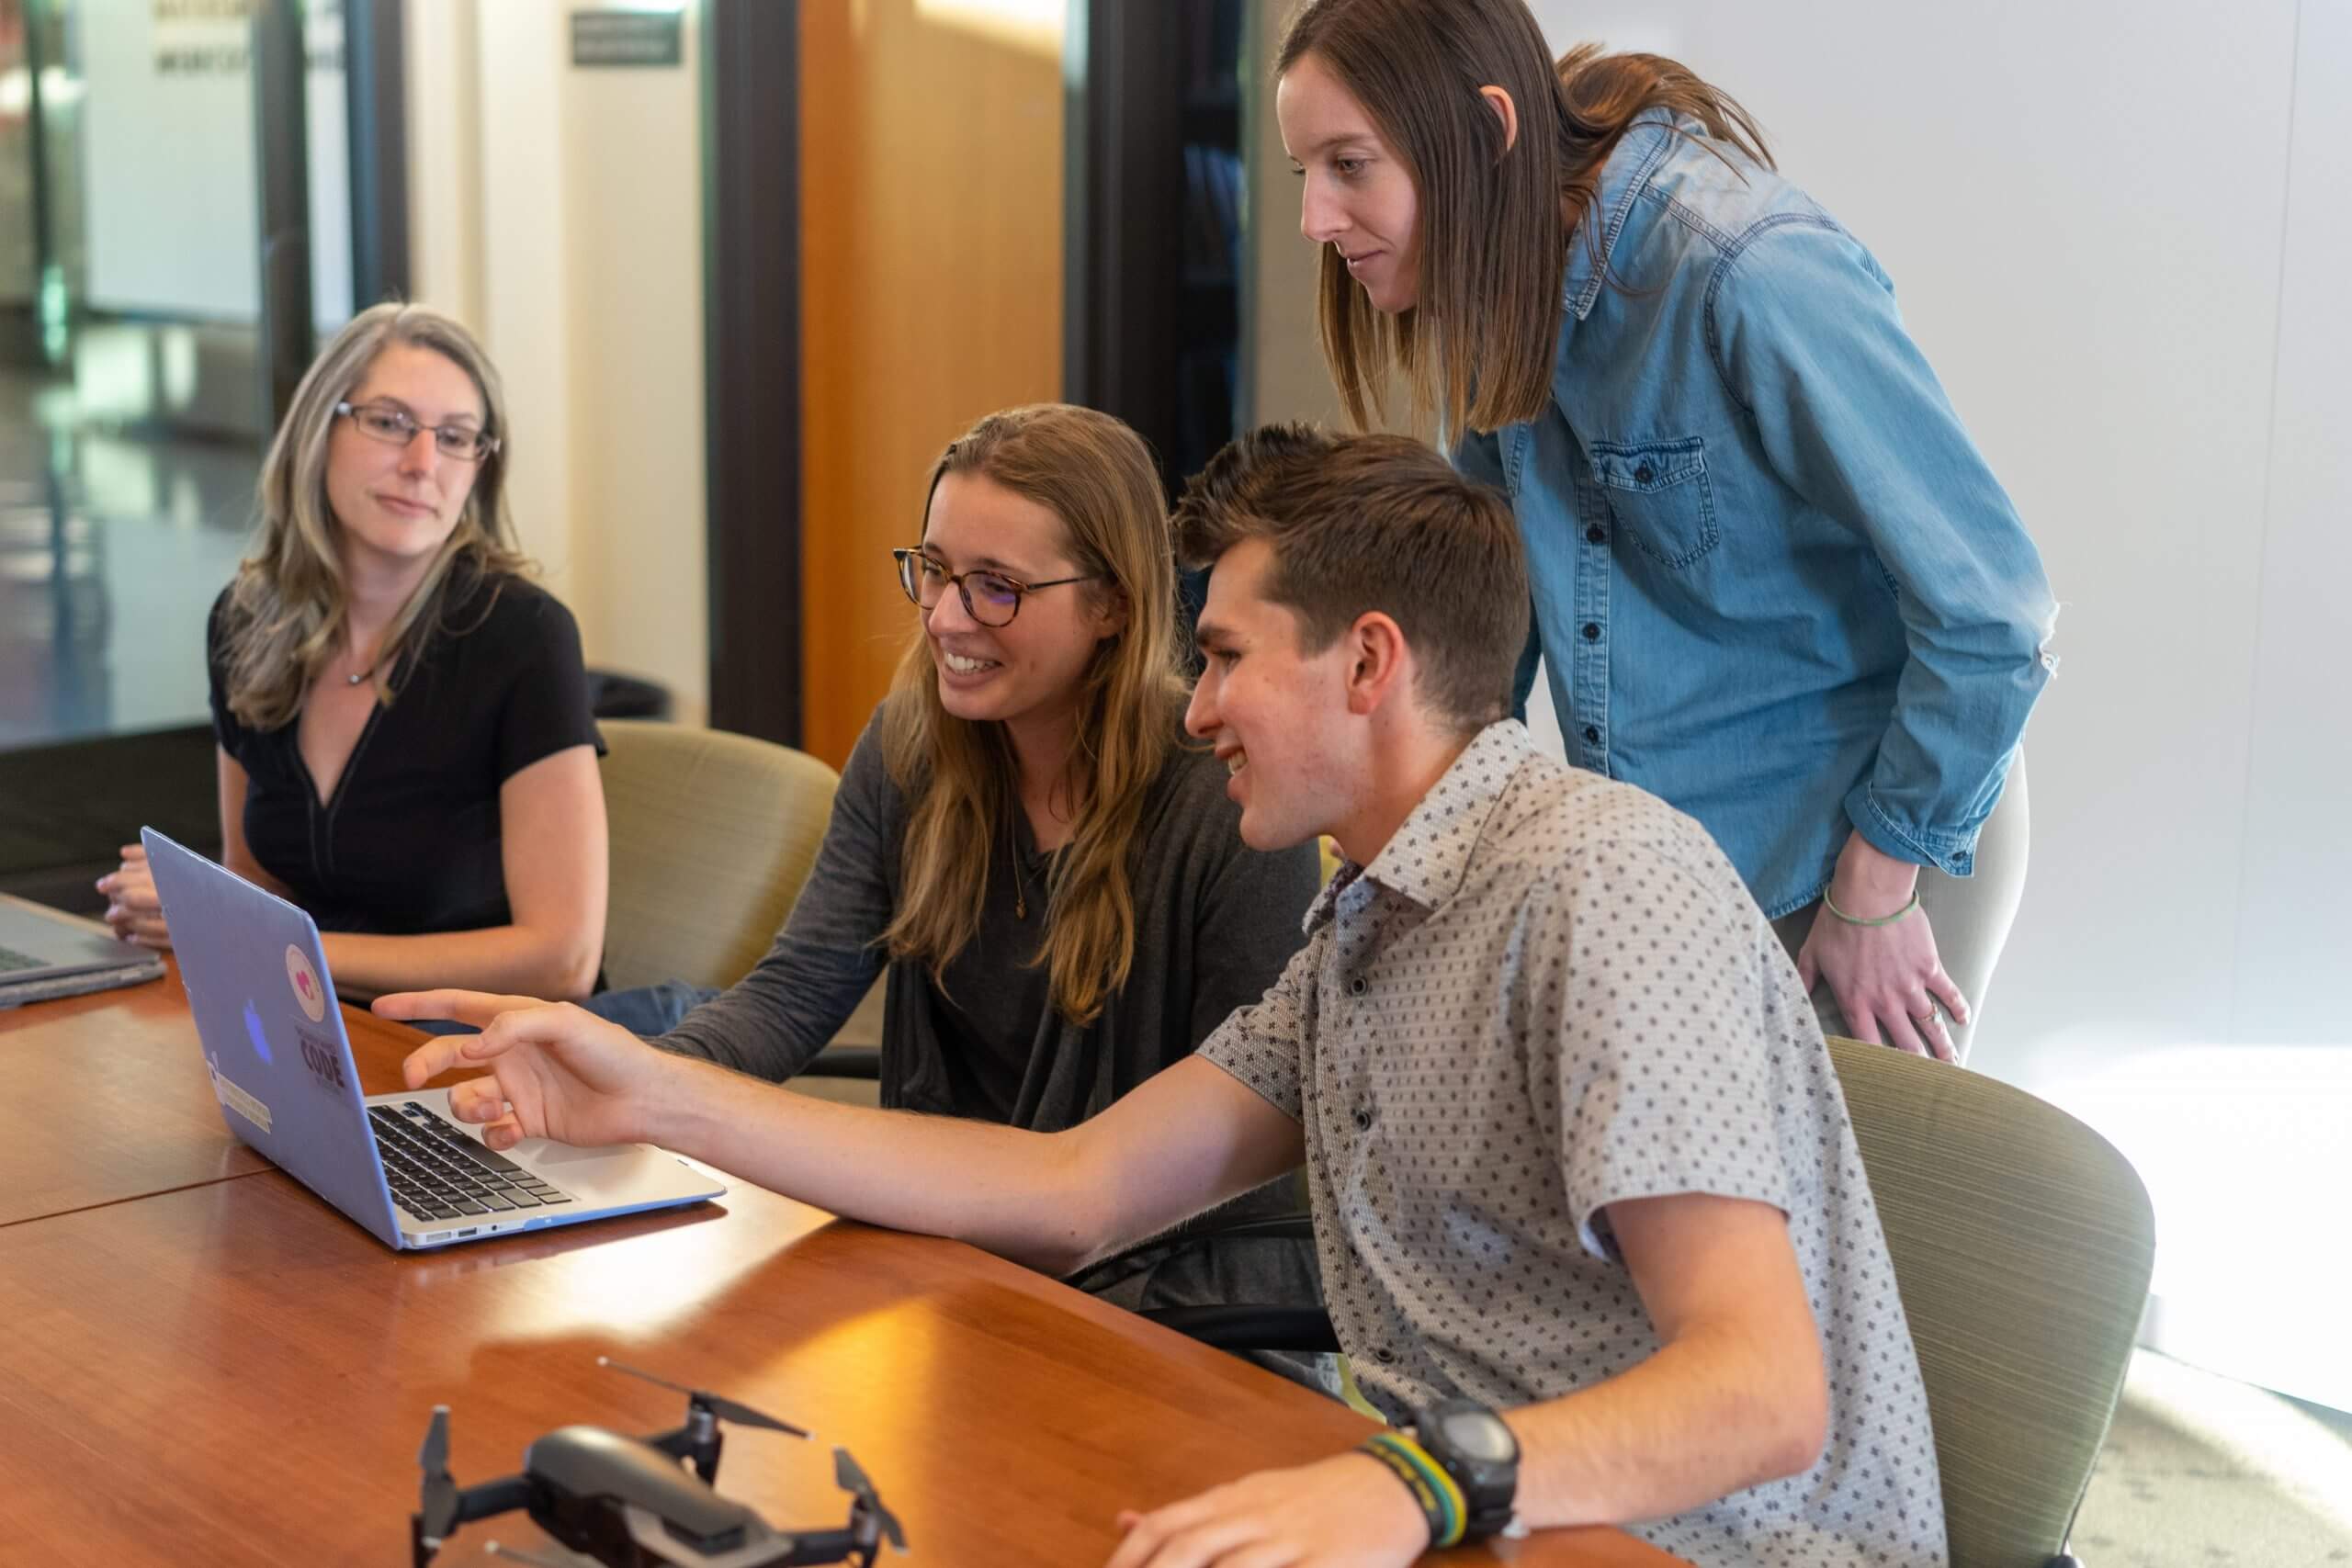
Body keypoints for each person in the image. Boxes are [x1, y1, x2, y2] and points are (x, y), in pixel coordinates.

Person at [381, 427, 1947, 1568]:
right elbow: (1073, 1189)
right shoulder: (1362, 927)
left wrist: (1411, 1482)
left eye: (1223, 658)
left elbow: (1762, 1394)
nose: (1194, 709)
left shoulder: (1599, 879)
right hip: (1485, 1511)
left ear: (1368, 663)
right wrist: (651, 1091)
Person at [390, 403, 1329, 1368]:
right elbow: (797, 990)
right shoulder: (913, 744)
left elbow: (1243, 1196)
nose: (944, 618)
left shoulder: (1229, 803)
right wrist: (628, 1074)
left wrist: (658, 1095)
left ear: (1114, 605)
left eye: (996, 589)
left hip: (1163, 1313)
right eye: (932, 570)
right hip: (943, 1257)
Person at [1273, 0, 2055, 1064]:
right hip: (1677, 868)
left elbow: (1993, 611)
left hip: (1867, 850)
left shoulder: (1747, 269)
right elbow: (1483, 627)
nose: (1315, 218)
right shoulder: (1496, 290)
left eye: (1349, 166)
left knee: (1843, 1223)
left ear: (1490, 130)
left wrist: (1874, 888)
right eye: (1302, 173)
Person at [95, 301, 606, 1001]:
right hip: (308, 1025)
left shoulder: (524, 634)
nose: (423, 463)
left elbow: (562, 961)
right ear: (319, 430)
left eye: (456, 437)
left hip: (481, 1056)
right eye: (391, 422)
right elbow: (256, 877)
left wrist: (266, 940)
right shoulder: (245, 624)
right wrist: (188, 904)